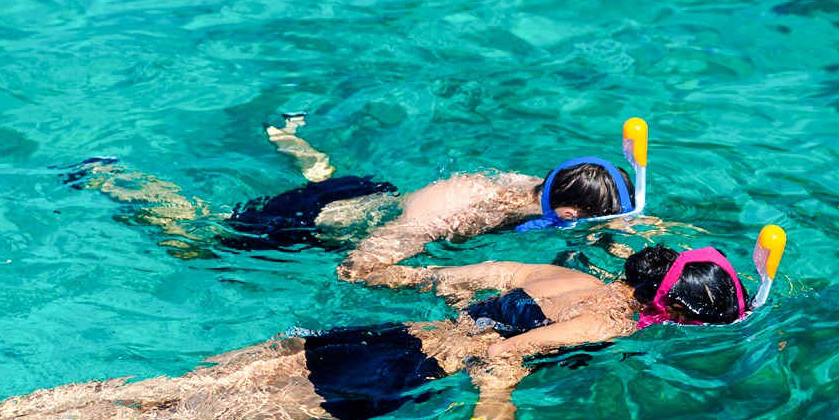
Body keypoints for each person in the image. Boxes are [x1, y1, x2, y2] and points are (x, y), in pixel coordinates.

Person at [0, 244, 751, 420]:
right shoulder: (612, 322)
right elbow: (503, 354)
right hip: (389, 381)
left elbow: (450, 288)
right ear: (673, 311)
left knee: (171, 387)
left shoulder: (565, 272)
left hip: (373, 337)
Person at [65, 116, 638, 279]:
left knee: (344, 185)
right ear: (561, 213)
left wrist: (623, 233)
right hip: (313, 222)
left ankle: (294, 139)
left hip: (372, 196)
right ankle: (112, 177)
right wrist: (443, 282)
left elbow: (594, 217)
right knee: (195, 239)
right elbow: (356, 267)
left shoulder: (529, 185)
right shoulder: (452, 211)